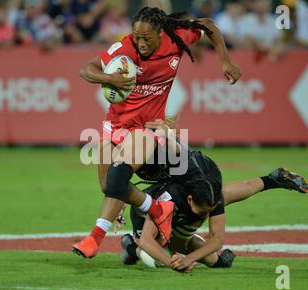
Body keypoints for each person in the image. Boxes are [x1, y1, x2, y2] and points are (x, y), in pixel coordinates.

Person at [73, 6, 242, 259]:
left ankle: (94, 239)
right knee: (109, 186)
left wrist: (225, 60)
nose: (140, 43)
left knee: (118, 179)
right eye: (136, 36)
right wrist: (110, 79)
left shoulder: (178, 37)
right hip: (115, 124)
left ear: (161, 32)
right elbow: (86, 69)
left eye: (146, 38)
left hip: (147, 127)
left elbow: (208, 24)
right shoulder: (126, 48)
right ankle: (158, 209)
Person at [120, 148, 308, 272]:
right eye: (202, 211)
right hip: (145, 213)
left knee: (184, 246)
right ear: (189, 198)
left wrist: (188, 259)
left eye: (208, 211)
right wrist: (173, 262)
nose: (205, 216)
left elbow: (217, 239)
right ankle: (130, 245)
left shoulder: (211, 196)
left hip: (196, 175)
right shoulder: (168, 199)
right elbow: (146, 240)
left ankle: (273, 179)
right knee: (158, 257)